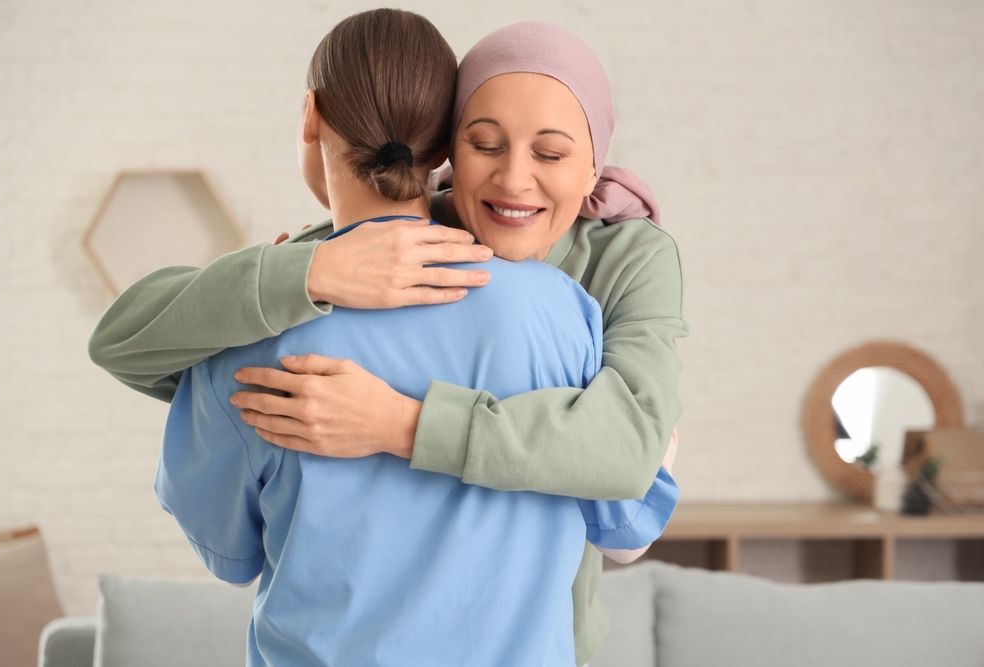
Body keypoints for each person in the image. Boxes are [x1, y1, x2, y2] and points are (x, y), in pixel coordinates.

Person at [89, 18, 688, 667]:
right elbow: (629, 512)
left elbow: (230, 550)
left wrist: (398, 423)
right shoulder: (566, 319)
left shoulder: (621, 262)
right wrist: (311, 272)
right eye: (485, 144)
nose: (515, 181)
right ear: (446, 148)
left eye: (549, 153)